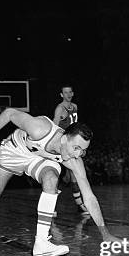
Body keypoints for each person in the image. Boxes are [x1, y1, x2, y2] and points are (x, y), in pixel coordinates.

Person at [0, 109, 118, 256]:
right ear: (64, 138)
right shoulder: (41, 129)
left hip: (40, 160)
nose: (77, 154)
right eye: (76, 148)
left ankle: (41, 243)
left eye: (82, 150)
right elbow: (9, 113)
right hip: (15, 152)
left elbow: (89, 198)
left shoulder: (74, 160)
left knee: (51, 179)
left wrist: (105, 233)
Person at [52, 85, 89, 215]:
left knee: (73, 176)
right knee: (58, 176)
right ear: (61, 95)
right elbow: (53, 127)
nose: (68, 94)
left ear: (72, 93)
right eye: (65, 92)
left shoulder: (75, 107)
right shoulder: (60, 109)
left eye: (70, 92)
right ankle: (51, 206)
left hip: (72, 145)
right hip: (62, 145)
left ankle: (80, 205)